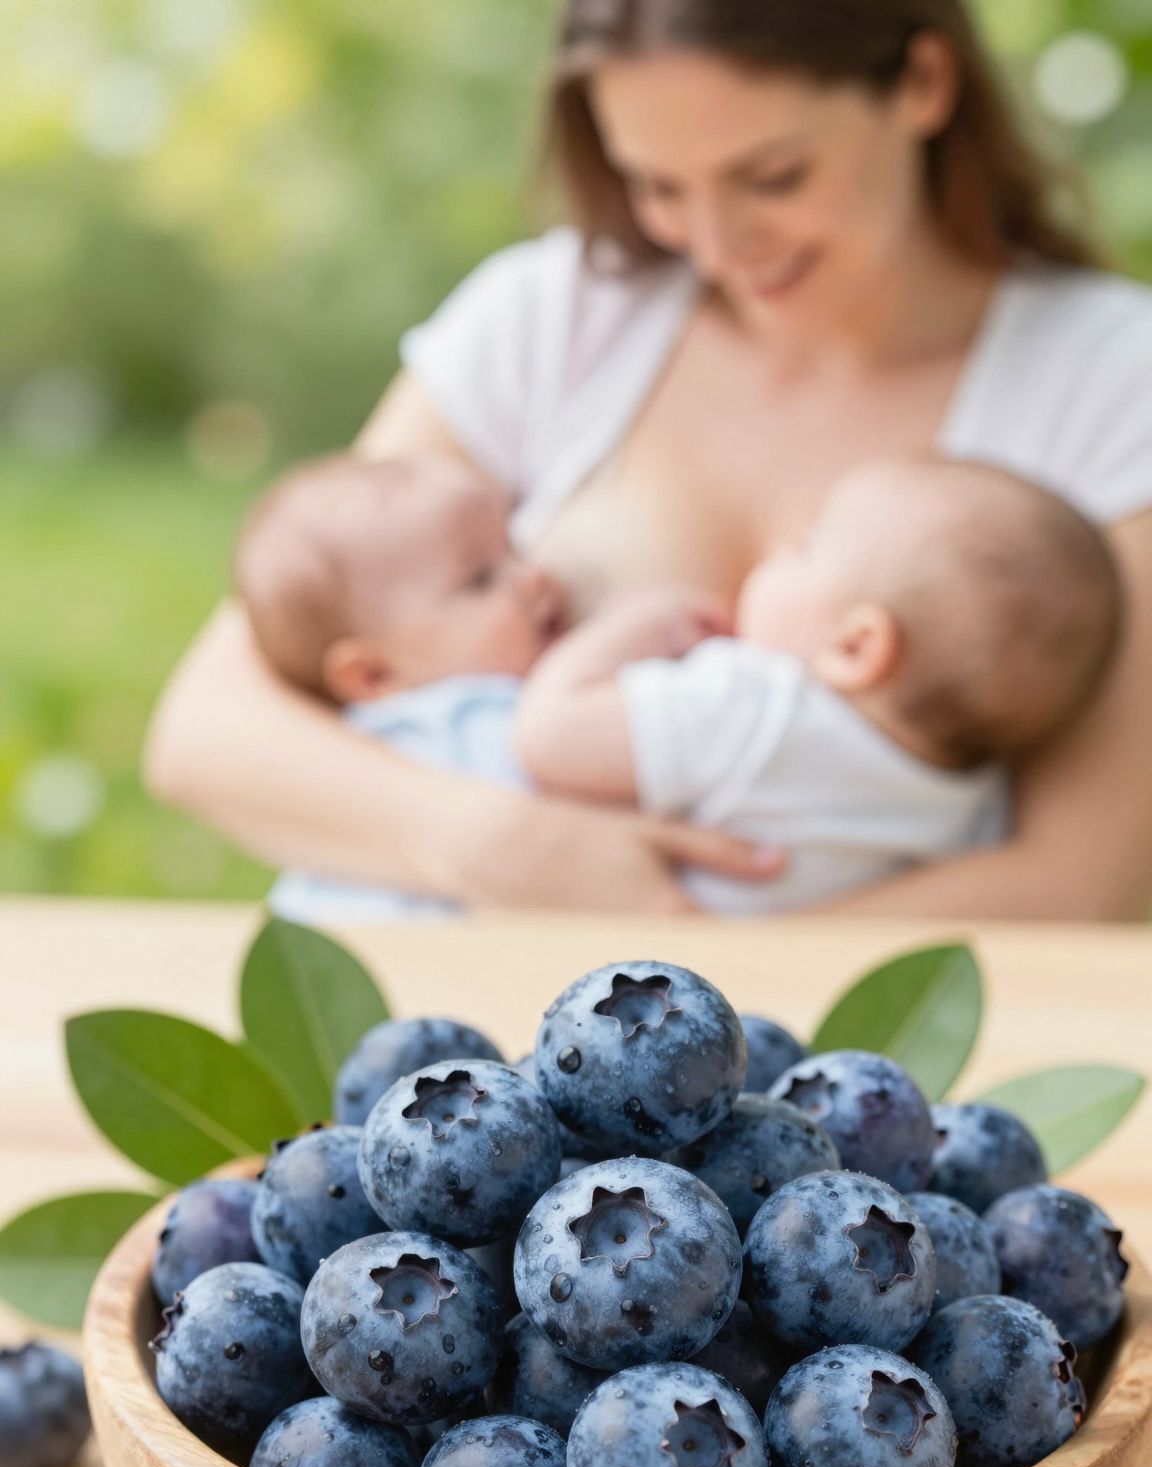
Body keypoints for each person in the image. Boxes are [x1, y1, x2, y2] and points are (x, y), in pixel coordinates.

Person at [145, 0, 1152, 918]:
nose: (716, 243)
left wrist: (701, 1017)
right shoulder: (555, 319)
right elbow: (211, 729)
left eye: (774, 176)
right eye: (658, 185)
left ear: (925, 84)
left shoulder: (1111, 379)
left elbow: (1082, 875)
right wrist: (504, 846)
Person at [236, 446, 1120, 922]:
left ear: (856, 648)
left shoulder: (753, 712)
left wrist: (620, 639)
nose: (536, 576)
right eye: (482, 578)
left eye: (802, 550)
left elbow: (548, 739)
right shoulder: (959, 800)